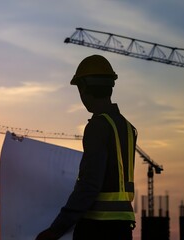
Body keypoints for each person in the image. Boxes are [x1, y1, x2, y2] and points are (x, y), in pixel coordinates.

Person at [36, 55, 137, 240]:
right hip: (123, 227)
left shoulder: (98, 126)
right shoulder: (128, 128)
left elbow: (89, 185)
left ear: (85, 88)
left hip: (98, 228)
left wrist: (56, 229)